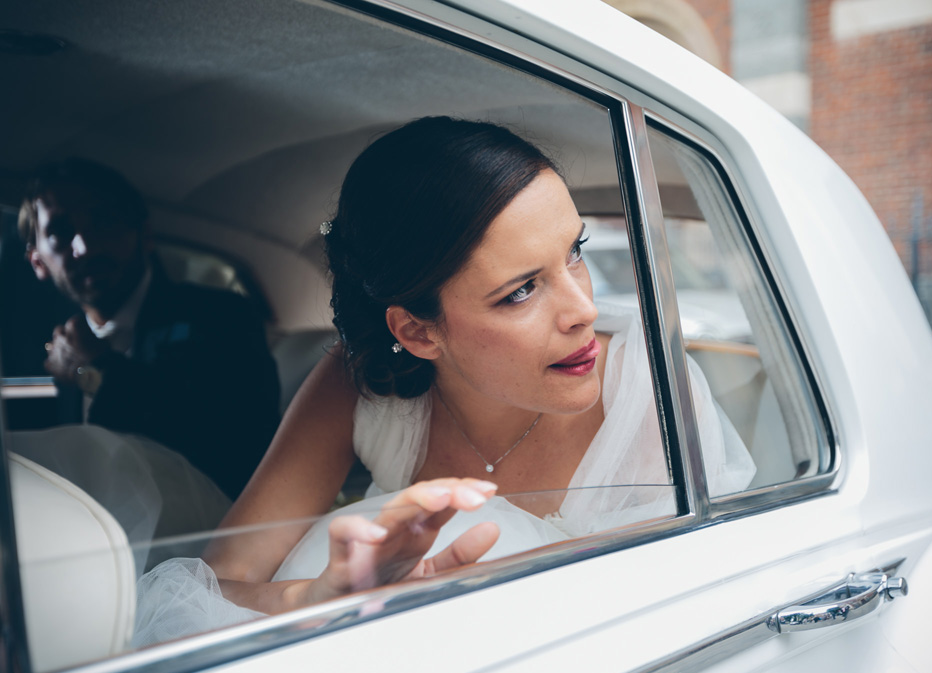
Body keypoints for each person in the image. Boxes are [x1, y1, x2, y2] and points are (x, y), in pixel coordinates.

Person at [135, 117, 753, 643]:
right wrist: (315, 597)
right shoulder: (354, 382)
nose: (584, 311)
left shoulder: (650, 391)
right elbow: (213, 585)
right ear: (418, 333)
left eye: (575, 252)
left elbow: (706, 608)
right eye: (521, 291)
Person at [16, 158, 281, 499]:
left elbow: (239, 449)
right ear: (38, 261)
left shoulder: (221, 317)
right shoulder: (48, 348)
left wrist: (94, 371)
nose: (86, 247)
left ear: (145, 235)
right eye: (60, 232)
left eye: (103, 221)